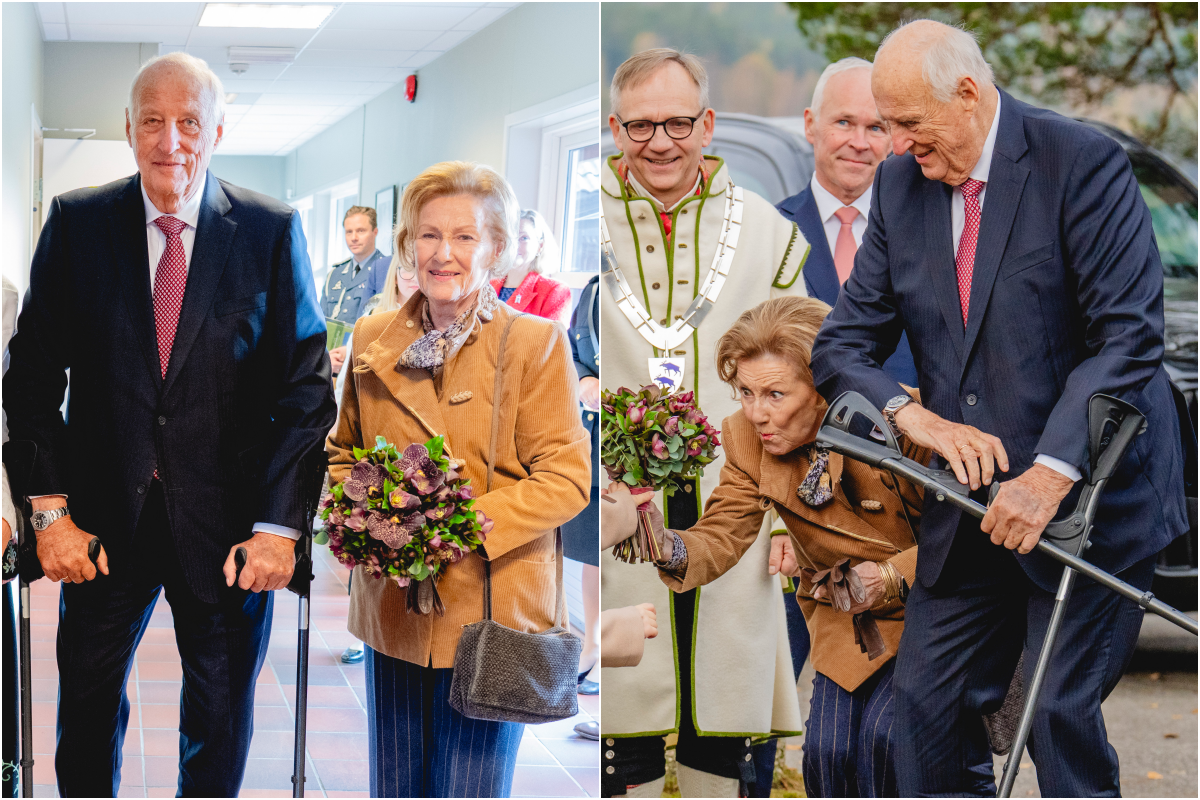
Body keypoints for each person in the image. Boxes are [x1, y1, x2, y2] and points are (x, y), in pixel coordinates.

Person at [809, 20, 1187, 797]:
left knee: (1053, 714)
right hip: (970, 503)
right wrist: (915, 419)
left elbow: (1127, 338)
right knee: (923, 709)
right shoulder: (902, 185)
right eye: (888, 126)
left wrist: (1048, 476)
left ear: (969, 95)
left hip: (1089, 499)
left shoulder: (1079, 162)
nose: (895, 145)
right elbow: (841, 346)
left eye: (909, 124)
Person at [1, 52, 336, 797]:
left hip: (229, 534)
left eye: (189, 121)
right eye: (152, 119)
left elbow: (307, 391)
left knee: (218, 721)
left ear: (217, 129)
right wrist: (49, 513)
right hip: (99, 527)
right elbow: (28, 383)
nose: (171, 140)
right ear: (128, 128)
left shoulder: (268, 231)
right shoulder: (78, 223)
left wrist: (280, 528)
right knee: (84, 714)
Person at [326, 160, 590, 798]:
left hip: (491, 612)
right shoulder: (372, 336)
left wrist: (447, 523)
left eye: (466, 237)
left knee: (468, 788)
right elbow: (342, 455)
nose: (443, 254)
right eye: (428, 235)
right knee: (395, 785)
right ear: (408, 246)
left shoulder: (537, 344)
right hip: (395, 605)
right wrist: (366, 516)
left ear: (496, 249)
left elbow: (567, 478)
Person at [599, 47, 808, 798]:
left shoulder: (766, 229)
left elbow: (801, 387)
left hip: (740, 492)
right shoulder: (587, 219)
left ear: (708, 123)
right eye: (641, 125)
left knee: (721, 706)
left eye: (678, 122)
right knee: (625, 704)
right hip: (620, 499)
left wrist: (790, 521)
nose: (661, 141)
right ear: (614, 127)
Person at [644, 296, 927, 797]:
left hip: (936, 613)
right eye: (746, 392)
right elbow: (722, 532)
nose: (756, 412)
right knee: (827, 755)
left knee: (888, 744)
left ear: (824, 385)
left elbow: (964, 539)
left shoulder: (908, 422)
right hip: (849, 625)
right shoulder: (746, 439)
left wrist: (887, 576)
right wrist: (659, 540)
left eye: (775, 394)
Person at [775, 57, 917, 387]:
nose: (859, 142)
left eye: (876, 128)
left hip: (910, 430)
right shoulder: (771, 230)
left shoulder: (921, 232)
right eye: (843, 122)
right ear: (810, 124)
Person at [564, 274, 601, 697]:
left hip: (647, 434)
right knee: (594, 551)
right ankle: (592, 642)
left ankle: (613, 650)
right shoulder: (594, 287)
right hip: (595, 436)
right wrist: (583, 379)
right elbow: (576, 351)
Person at [324, 206, 390, 376]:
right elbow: (319, 322)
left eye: (360, 231)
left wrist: (350, 352)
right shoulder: (335, 274)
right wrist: (324, 357)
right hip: (329, 365)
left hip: (362, 365)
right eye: (349, 232)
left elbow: (384, 325)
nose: (353, 238)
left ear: (375, 232)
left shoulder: (387, 271)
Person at [489, 209, 571, 322]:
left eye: (524, 238)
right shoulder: (487, 287)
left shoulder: (555, 291)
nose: (514, 244)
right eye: (509, 237)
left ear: (540, 246)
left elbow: (552, 338)